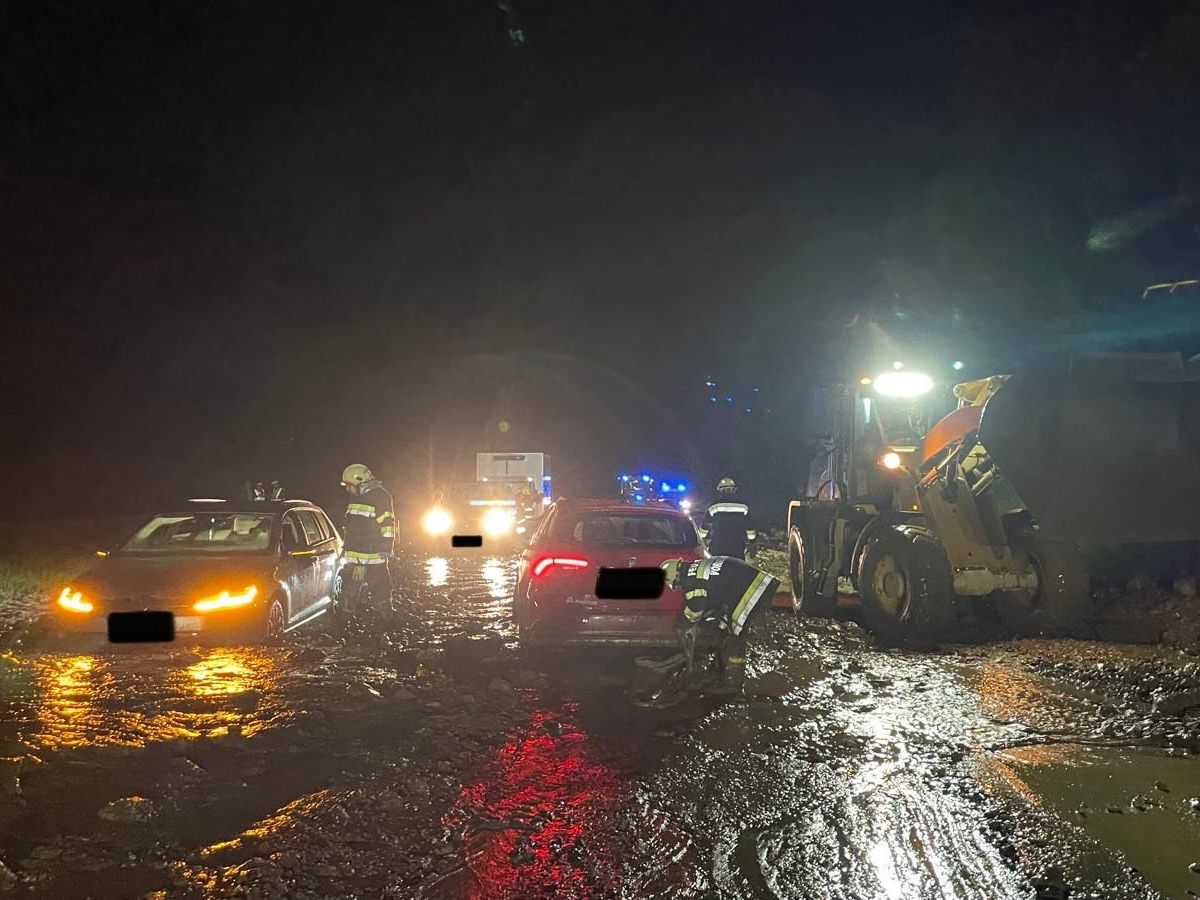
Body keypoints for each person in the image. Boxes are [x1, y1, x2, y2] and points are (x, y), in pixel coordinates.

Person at [636, 556, 780, 701]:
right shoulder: (695, 566)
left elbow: (695, 610)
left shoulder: (691, 582)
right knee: (725, 629)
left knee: (734, 638)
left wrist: (683, 622)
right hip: (758, 582)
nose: (678, 586)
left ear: (676, 575)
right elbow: (714, 591)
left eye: (676, 583)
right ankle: (720, 672)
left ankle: (732, 684)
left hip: (752, 591)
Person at [336, 463, 396, 620]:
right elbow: (353, 529)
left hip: (373, 557)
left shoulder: (381, 497)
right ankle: (346, 623)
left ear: (361, 483)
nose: (347, 489)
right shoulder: (356, 497)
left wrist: (385, 548)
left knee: (380, 592)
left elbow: (387, 526)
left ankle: (385, 622)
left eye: (349, 485)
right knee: (348, 594)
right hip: (355, 556)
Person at [704, 477, 755, 559]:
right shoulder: (743, 506)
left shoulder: (714, 505)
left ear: (720, 490)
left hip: (717, 546)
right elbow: (750, 527)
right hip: (737, 546)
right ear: (733, 490)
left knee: (716, 566)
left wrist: (702, 539)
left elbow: (705, 525)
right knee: (737, 566)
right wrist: (752, 542)